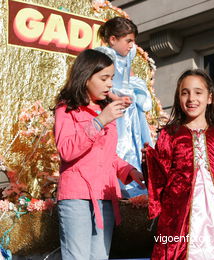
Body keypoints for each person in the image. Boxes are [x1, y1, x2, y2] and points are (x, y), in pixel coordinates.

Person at [143, 69, 214, 259]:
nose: (191, 98)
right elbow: (159, 176)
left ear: (210, 98)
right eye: (185, 92)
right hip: (177, 213)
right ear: (178, 98)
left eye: (197, 92)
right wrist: (149, 161)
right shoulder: (169, 134)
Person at [54, 49, 145, 259]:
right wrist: (99, 121)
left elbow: (105, 155)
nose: (110, 84)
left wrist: (129, 170)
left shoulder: (102, 110)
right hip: (77, 196)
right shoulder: (66, 109)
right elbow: (67, 150)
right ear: (85, 77)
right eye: (104, 78)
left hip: (104, 196)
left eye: (111, 78)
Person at [95, 17, 152, 198]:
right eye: (128, 41)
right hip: (114, 109)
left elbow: (129, 76)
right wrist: (114, 97)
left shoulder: (128, 56)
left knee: (135, 143)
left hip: (130, 110)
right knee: (120, 143)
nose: (131, 45)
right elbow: (102, 83)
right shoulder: (105, 55)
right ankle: (118, 185)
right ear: (113, 39)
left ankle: (136, 184)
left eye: (133, 41)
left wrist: (132, 93)